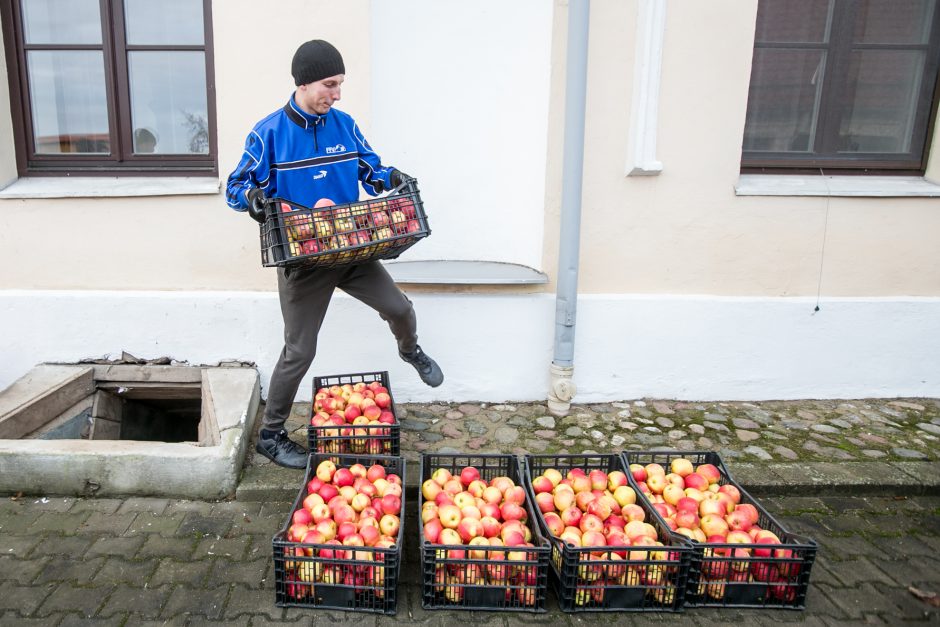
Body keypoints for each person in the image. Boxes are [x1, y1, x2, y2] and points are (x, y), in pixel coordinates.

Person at [225, 39, 443, 469]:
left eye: (341, 84)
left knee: (400, 308)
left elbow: (370, 169)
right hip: (303, 258)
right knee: (300, 351)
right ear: (304, 82)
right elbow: (236, 187)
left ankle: (409, 350)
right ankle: (271, 435)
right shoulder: (268, 133)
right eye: (330, 83)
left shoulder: (344, 125)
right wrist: (254, 199)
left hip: (352, 247)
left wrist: (391, 176)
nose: (337, 93)